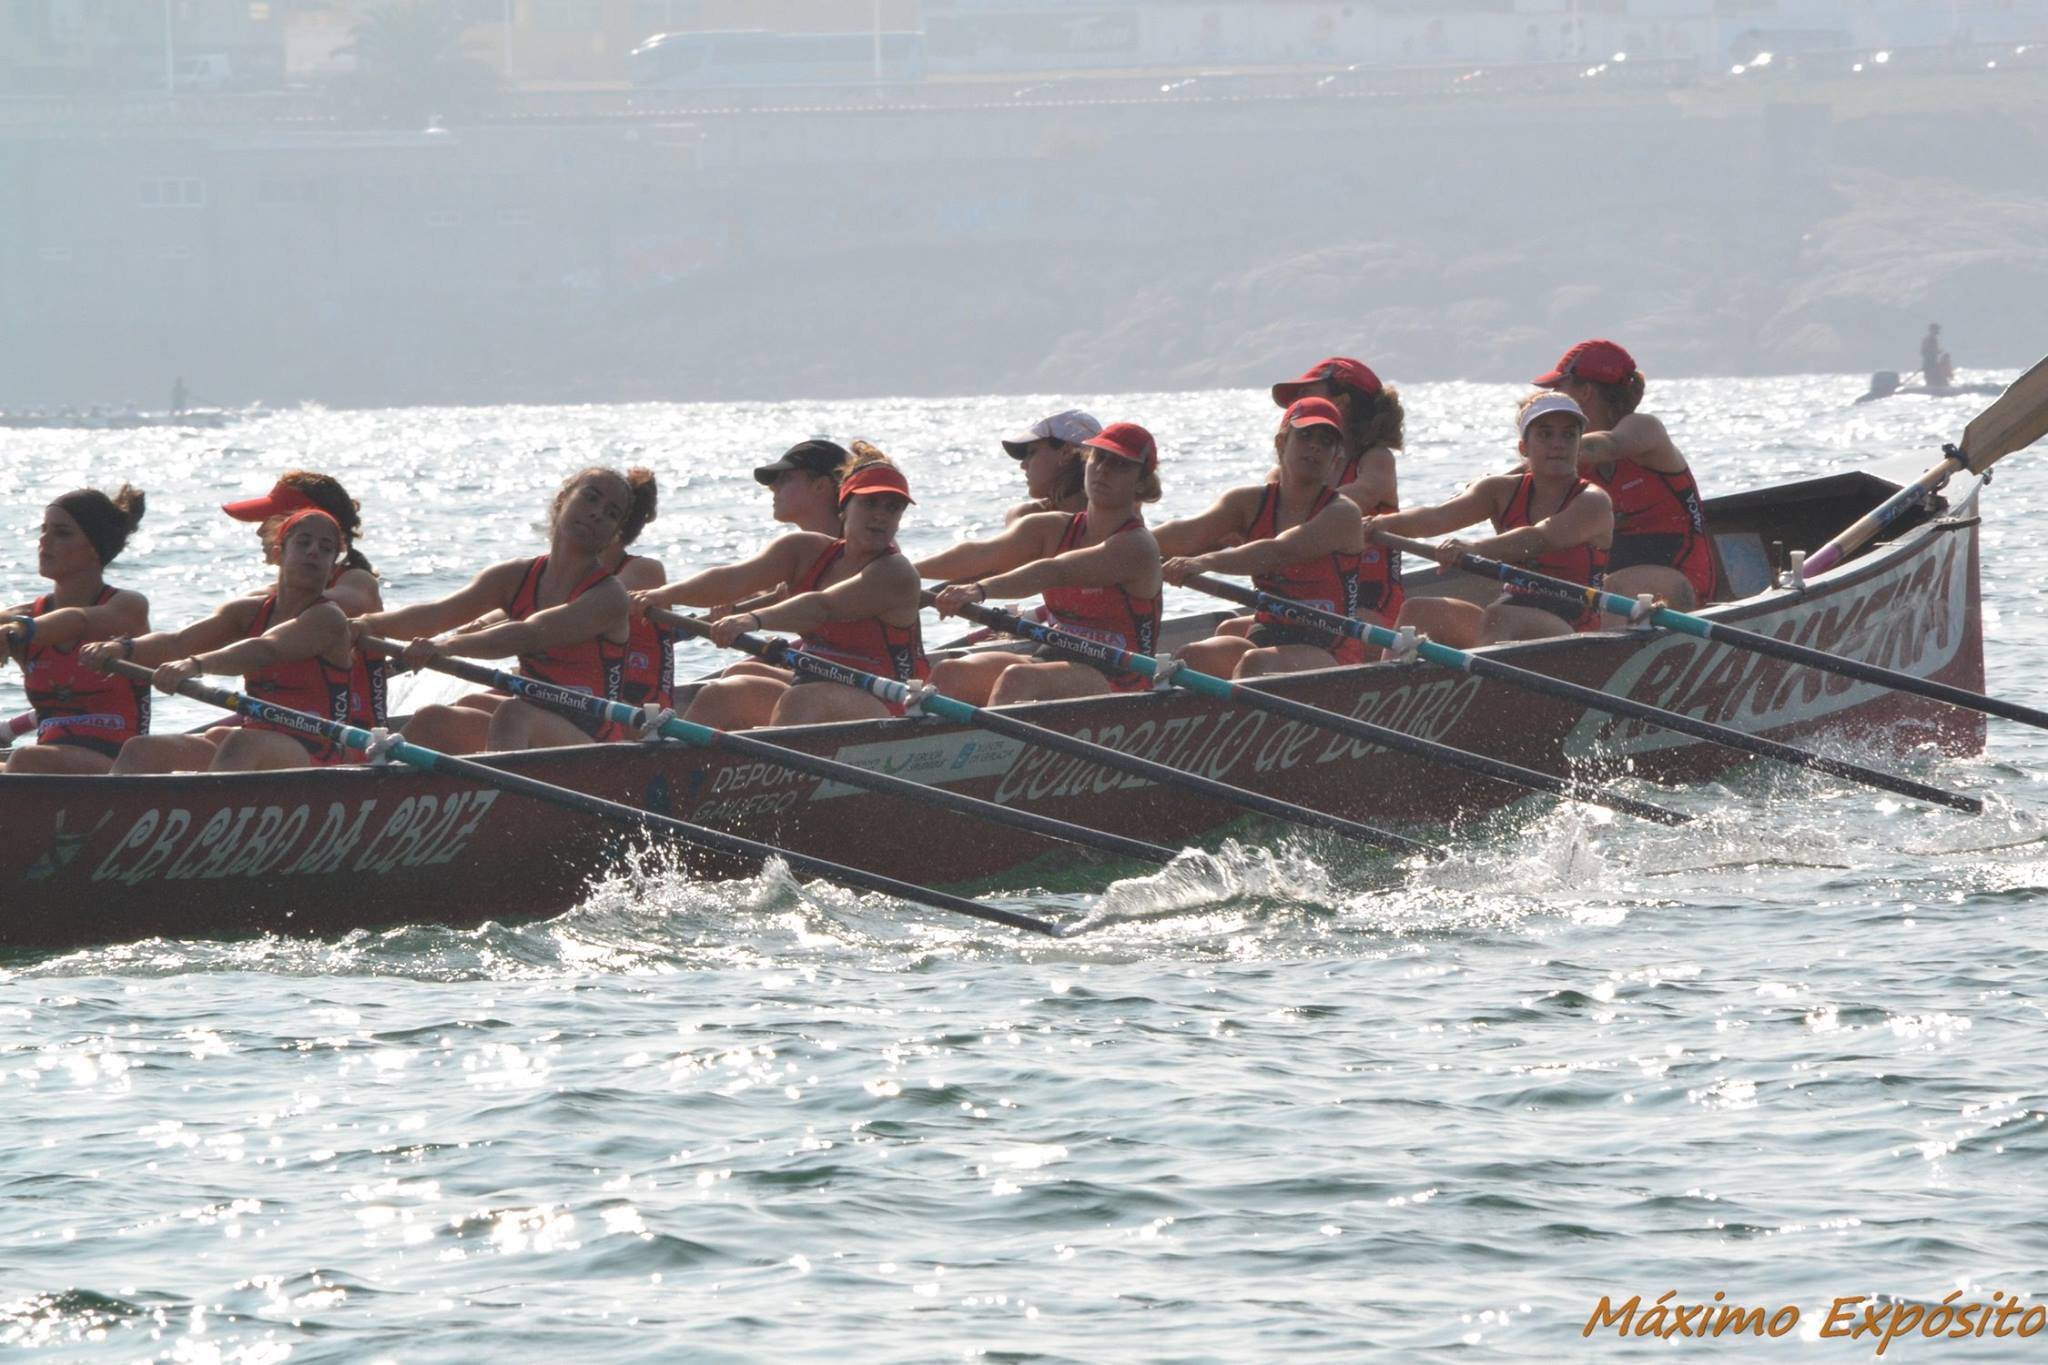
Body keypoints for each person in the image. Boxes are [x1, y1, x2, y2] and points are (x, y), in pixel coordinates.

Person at [352, 468, 646, 754]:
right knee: (433, 720)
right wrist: (365, 625)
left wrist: (444, 647)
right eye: (591, 498)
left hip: (595, 740)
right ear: (562, 500)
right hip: (538, 716)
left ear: (613, 536)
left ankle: (501, 802)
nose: (597, 513)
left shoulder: (608, 596)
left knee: (513, 713)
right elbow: (437, 614)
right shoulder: (514, 576)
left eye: (611, 513)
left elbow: (528, 635)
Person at [638, 449, 927, 729]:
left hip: (891, 702)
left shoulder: (895, 572)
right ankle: (678, 774)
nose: (880, 516)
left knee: (802, 699)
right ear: (843, 507)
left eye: (892, 508)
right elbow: (733, 579)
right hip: (817, 681)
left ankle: (768, 777)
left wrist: (753, 620)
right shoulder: (804, 550)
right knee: (722, 694)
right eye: (870, 503)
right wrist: (662, 595)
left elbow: (821, 607)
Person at [80, 509, 368, 773]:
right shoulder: (248, 611)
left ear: (332, 569)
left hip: (318, 755)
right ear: (279, 554)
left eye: (326, 549)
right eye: (304, 543)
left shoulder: (327, 619)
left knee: (239, 743)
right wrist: (122, 648)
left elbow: (266, 649)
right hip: (259, 743)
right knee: (141, 749)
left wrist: (195, 666)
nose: (314, 552)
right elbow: (178, 642)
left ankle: (207, 819)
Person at [921, 423, 1164, 705]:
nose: (1103, 470)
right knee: (950, 673)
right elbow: (980, 555)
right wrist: (908, 573)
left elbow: (1055, 571)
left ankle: (994, 749)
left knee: (1018, 678)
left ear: (1141, 483)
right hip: (1056, 656)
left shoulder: (1136, 546)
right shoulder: (1052, 528)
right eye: (1099, 458)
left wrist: (978, 590)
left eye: (1120, 465)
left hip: (1121, 676)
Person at [1368, 393, 1613, 648]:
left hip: (1576, 627)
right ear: (1523, 447)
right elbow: (1437, 517)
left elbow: (1539, 538)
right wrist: (1381, 524)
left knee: (1499, 617)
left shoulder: (1593, 502)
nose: (1558, 444)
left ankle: (1480, 686)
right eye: (1545, 434)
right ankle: (1389, 685)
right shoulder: (1499, 491)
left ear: (1579, 446)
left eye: (1569, 435)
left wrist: (1473, 550)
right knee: (1417, 611)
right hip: (1511, 612)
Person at [1155, 397, 1367, 677]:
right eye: (1305, 436)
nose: (1315, 446)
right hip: (1268, 632)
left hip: (1332, 649)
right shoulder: (1247, 503)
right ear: (1281, 443)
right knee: (1192, 658)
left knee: (1257, 664)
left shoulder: (1342, 514)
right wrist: (1125, 544)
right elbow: (1186, 534)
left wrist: (1203, 562)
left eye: (1326, 441)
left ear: (1336, 457)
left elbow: (1279, 551)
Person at [1533, 338, 1714, 612]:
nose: (1551, 397)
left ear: (1585, 392)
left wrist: (1538, 457)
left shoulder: (1644, 430)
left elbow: (1608, 445)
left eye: (1559, 387)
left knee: (1613, 590)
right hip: (1613, 587)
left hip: (1683, 585)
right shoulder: (1572, 461)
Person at [2, 486, 152, 773]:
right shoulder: (23, 618)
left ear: (94, 549)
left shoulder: (127, 607)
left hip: (119, 765)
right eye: (43, 530)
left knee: (25, 759)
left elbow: (77, 622)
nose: (44, 540)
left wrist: (21, 630)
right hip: (48, 765)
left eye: (62, 533)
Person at [223, 471, 389, 723]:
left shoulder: (357, 582)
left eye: (268, 520)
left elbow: (324, 602)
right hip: (286, 724)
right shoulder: (266, 598)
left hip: (350, 740)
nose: (259, 532)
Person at [1270, 355, 1407, 625]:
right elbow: (1253, 514)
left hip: (1370, 607)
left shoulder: (1375, 460)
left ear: (1341, 403)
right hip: (1305, 604)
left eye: (1305, 393)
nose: (1298, 404)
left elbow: (1356, 499)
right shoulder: (1279, 476)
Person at [999, 408, 1101, 523]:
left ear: (1066, 453)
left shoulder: (1026, 517)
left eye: (1032, 452)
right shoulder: (1115, 517)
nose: (1023, 465)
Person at [753, 438, 850, 537]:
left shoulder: (792, 547)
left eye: (786, 479)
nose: (772, 487)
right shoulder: (857, 547)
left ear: (820, 486)